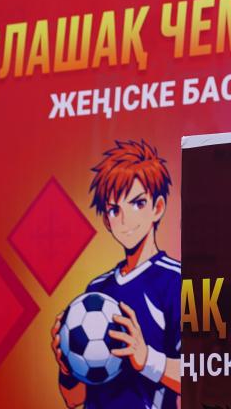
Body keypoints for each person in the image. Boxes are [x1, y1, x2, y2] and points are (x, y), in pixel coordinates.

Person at [52, 139, 181, 408]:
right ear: (106, 220)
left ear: (157, 208)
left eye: (137, 203)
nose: (125, 219)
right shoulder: (96, 291)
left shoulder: (175, 282)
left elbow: (204, 378)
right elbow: (74, 399)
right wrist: (67, 368)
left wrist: (146, 359)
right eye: (114, 209)